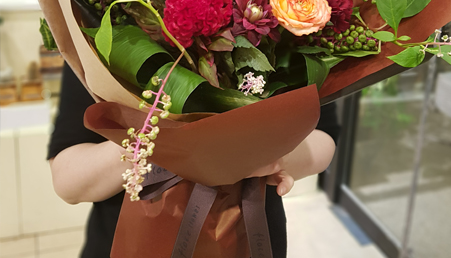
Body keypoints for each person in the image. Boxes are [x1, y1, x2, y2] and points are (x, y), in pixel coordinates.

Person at [48, 64, 336, 258]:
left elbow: (324, 138)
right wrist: (166, 140)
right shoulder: (100, 27)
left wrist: (270, 153)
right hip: (127, 242)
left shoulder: (287, 18)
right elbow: (68, 181)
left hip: (249, 238)